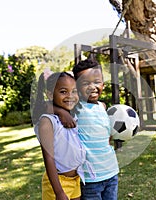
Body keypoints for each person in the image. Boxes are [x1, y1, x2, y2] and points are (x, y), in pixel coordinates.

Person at [53, 59, 119, 200]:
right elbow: (44, 106)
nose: (92, 87)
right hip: (89, 179)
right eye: (85, 83)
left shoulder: (103, 107)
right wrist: (60, 111)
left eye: (96, 81)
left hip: (111, 172)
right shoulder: (75, 106)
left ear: (103, 84)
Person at [33, 71, 94, 200]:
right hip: (57, 184)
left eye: (74, 91)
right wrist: (59, 192)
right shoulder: (47, 122)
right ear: (50, 94)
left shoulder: (73, 115)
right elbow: (48, 159)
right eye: (63, 91)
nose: (70, 96)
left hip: (76, 179)